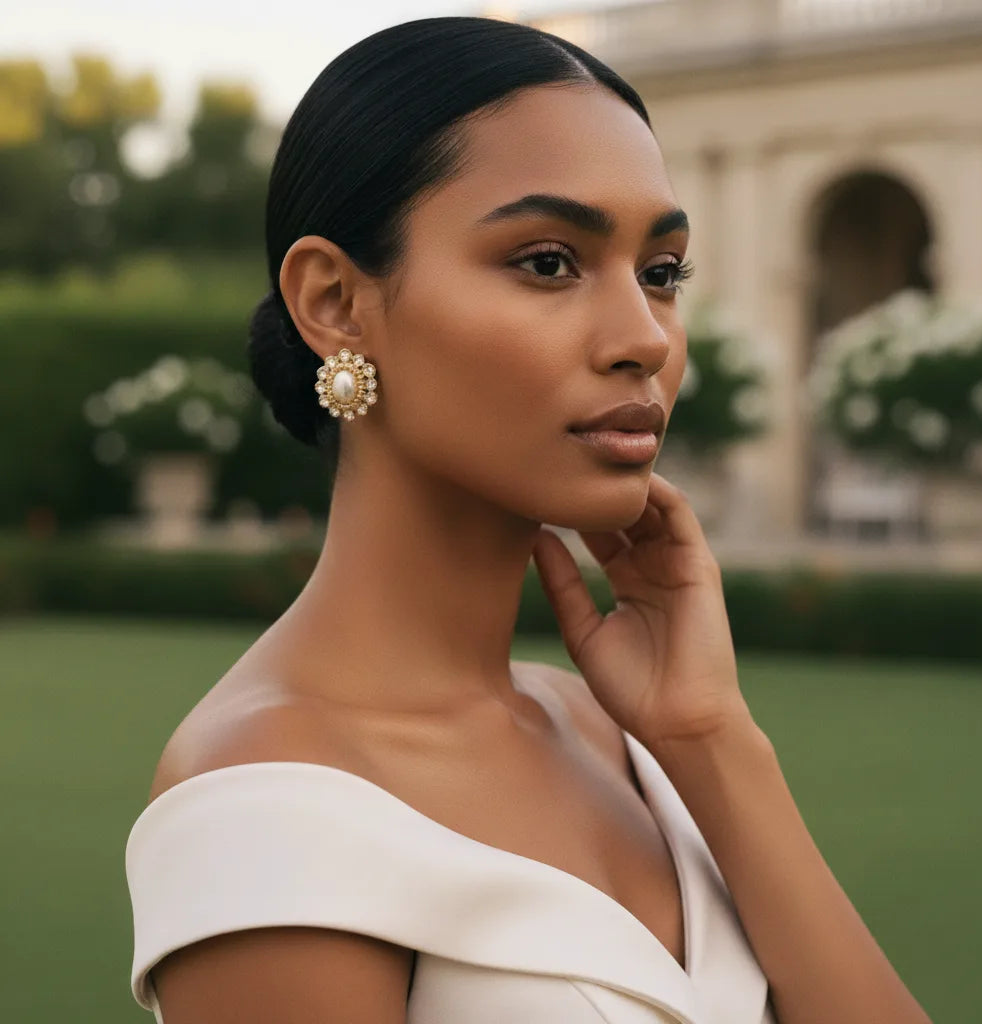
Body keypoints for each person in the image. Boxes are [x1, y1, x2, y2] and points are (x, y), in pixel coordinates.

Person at [124, 16, 933, 1024]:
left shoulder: (621, 731)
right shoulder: (261, 804)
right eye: (548, 262)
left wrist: (714, 740)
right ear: (334, 301)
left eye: (662, 272)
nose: (645, 336)